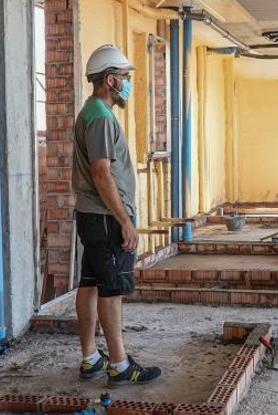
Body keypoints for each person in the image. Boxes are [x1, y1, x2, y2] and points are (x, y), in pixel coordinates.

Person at [72, 44, 161, 385]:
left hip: (93, 216)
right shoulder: (100, 117)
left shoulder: (92, 112)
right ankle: (120, 365)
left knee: (91, 283)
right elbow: (101, 172)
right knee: (112, 288)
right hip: (106, 218)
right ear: (110, 80)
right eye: (124, 78)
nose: (127, 84)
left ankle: (90, 358)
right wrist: (125, 221)